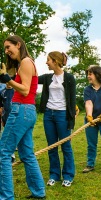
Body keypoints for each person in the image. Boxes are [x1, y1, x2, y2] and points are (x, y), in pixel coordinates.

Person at [0, 35, 45, 199]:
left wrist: (7, 80)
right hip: (28, 111)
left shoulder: (26, 62)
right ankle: (39, 191)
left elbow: (25, 90)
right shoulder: (24, 63)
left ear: (18, 44)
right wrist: (9, 80)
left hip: (21, 110)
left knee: (3, 153)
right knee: (26, 154)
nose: (6, 51)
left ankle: (6, 196)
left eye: (8, 47)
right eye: (5, 48)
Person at [38, 51, 76, 187]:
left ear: (55, 61)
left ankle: (68, 175)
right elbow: (32, 77)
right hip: (49, 114)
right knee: (52, 146)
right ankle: (54, 174)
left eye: (48, 60)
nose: (46, 62)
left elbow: (72, 100)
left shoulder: (69, 78)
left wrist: (71, 119)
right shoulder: (48, 78)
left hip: (62, 115)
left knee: (66, 146)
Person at [0, 83, 16, 162]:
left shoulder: (15, 91)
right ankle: (9, 156)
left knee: (12, 136)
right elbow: (1, 106)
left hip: (15, 117)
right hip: (5, 117)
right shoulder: (3, 92)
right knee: (5, 136)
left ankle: (11, 155)